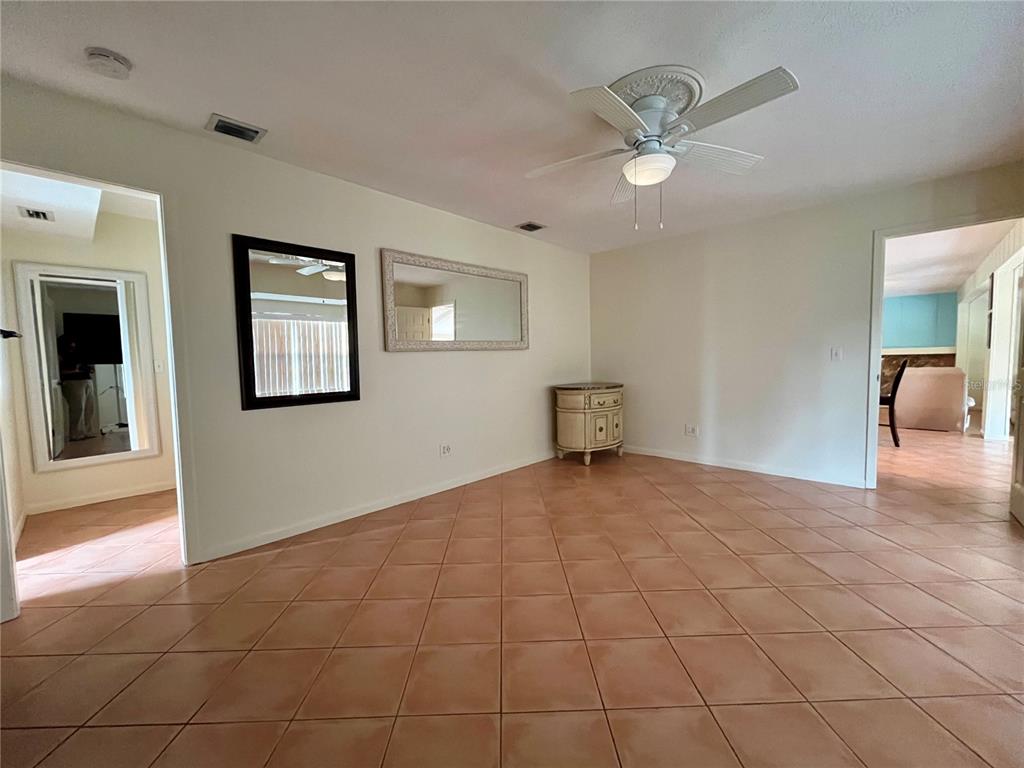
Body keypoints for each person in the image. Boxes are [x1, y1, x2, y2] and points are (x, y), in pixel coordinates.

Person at [57, 332, 97, 441]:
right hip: (72, 381)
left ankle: (88, 431)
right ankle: (76, 433)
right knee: (77, 408)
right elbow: (60, 369)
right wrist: (76, 369)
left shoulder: (82, 350)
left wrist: (88, 368)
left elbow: (91, 368)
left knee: (89, 407)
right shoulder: (61, 348)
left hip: (87, 379)